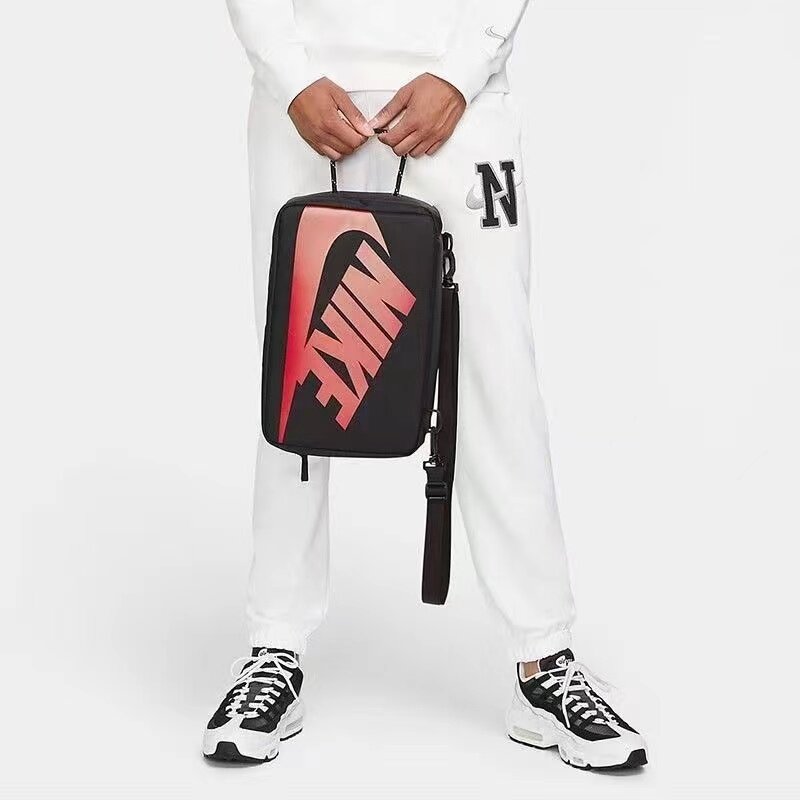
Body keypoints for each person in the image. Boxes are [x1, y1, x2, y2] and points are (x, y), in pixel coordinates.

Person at [203, 0, 648, 771]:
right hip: (306, 107)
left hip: (459, 105)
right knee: (299, 377)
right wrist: (289, 75)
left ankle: (543, 657)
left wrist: (462, 70)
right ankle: (276, 647)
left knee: (498, 374)